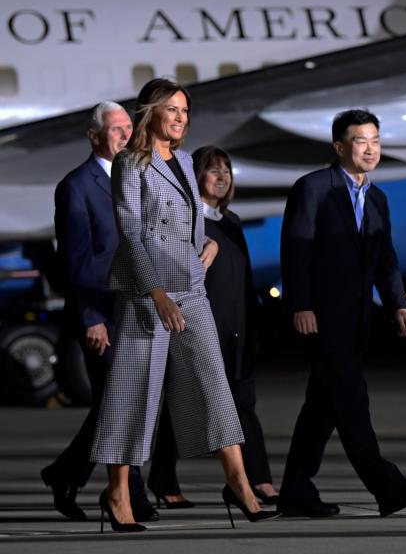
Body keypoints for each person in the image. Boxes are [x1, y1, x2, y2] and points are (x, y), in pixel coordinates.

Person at [89, 78, 278, 532]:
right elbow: (132, 233)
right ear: (150, 111)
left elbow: (188, 222)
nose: (180, 118)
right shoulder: (130, 164)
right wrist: (155, 293)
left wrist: (208, 245)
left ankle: (240, 484)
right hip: (146, 291)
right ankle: (118, 495)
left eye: (185, 111)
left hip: (191, 286)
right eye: (172, 109)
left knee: (215, 383)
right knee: (136, 392)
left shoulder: (189, 162)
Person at [278, 109, 406, 518]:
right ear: (340, 147)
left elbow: (386, 258)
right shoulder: (312, 188)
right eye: (361, 141)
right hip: (322, 317)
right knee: (351, 400)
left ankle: (295, 490)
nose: (371, 148)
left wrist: (398, 301)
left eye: (376, 140)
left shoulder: (377, 198)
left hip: (358, 318)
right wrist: (301, 304)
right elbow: (297, 250)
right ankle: (388, 487)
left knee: (322, 407)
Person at [41, 102, 158, 524]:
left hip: (139, 309)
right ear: (94, 137)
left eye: (129, 127)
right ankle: (131, 497)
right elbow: (74, 262)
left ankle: (66, 473)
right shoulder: (77, 186)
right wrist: (91, 316)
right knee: (119, 404)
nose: (126, 135)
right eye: (116, 129)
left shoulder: (142, 177)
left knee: (125, 405)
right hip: (102, 315)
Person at [147, 146, 280, 507]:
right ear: (196, 177)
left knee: (243, 403)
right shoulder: (190, 222)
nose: (222, 177)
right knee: (186, 405)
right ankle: (163, 479)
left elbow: (243, 279)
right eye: (213, 170)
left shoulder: (231, 222)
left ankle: (260, 479)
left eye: (227, 170)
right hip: (201, 325)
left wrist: (252, 325)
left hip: (236, 328)